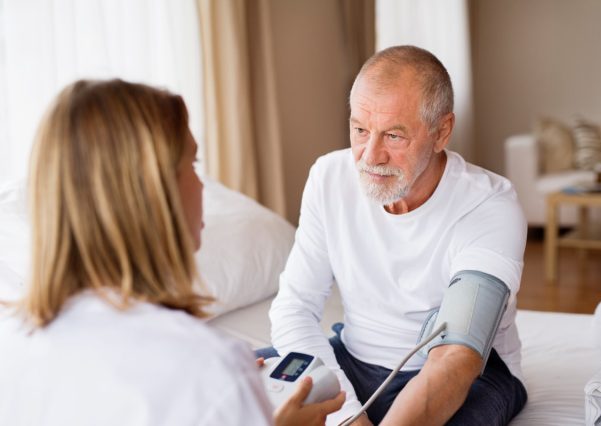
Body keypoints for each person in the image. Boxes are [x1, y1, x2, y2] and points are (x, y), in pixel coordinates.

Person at [0, 79, 344, 425]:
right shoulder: (204, 370)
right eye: (192, 165)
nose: (201, 185)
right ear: (152, 194)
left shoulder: (13, 353)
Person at [264, 45, 528, 425]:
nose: (370, 156)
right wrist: (349, 416)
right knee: (235, 389)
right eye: (359, 130)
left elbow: (457, 355)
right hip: (352, 360)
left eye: (393, 136)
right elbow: (294, 308)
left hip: (471, 377)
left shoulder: (489, 205)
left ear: (442, 132)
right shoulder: (328, 178)